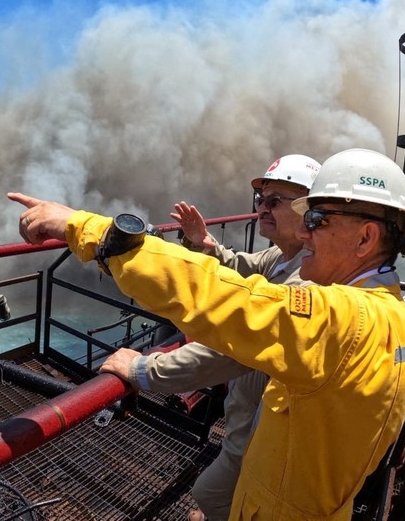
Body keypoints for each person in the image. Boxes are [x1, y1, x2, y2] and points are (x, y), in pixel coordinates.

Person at [9, 147, 405, 520]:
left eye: (318, 219)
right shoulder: (399, 318)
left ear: (366, 238)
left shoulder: (342, 320)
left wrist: (89, 230)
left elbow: (217, 297)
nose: (305, 232)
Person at [100, 154, 320, 521]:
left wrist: (141, 369)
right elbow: (241, 267)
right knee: (234, 490)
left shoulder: (309, 277)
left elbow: (225, 355)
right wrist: (207, 244)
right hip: (249, 408)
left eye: (274, 201)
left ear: (309, 209)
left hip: (266, 420)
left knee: (210, 492)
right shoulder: (285, 255)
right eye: (260, 201)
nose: (262, 209)